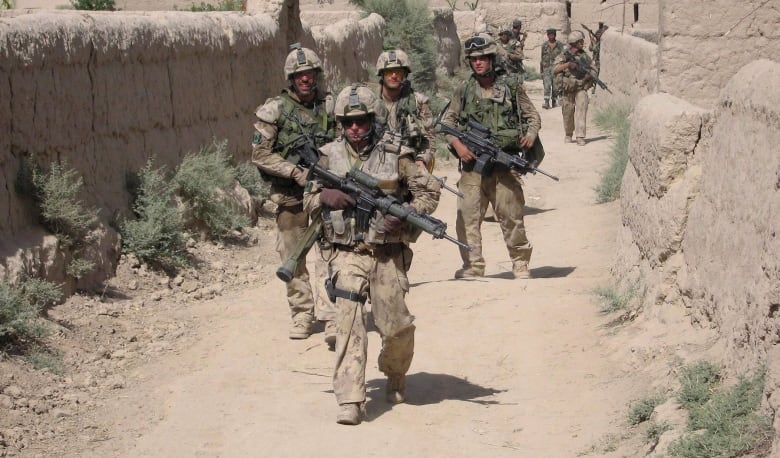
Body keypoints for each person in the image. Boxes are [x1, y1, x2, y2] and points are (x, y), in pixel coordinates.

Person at [303, 84, 441, 425]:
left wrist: (406, 212)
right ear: (339, 124)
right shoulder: (327, 154)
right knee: (348, 320)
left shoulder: (397, 153)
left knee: (395, 326)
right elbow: (306, 198)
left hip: (387, 253)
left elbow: (429, 191)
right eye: (348, 123)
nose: (354, 128)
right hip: (346, 252)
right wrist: (323, 198)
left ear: (371, 120)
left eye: (361, 121)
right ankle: (350, 398)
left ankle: (394, 372)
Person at [251, 43, 337, 344]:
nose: (305, 79)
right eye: (299, 75)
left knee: (329, 253)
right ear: (291, 78)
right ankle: (302, 313)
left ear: (317, 75)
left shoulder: (330, 106)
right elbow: (259, 155)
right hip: (291, 196)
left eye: (310, 74)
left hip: (326, 192)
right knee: (293, 255)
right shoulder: (274, 110)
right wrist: (294, 171)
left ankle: (331, 315)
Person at [442, 33, 541, 280]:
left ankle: (520, 263)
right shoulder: (464, 89)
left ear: (491, 59)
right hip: (472, 166)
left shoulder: (511, 87)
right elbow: (447, 122)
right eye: (473, 59)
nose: (478, 63)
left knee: (511, 216)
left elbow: (532, 116)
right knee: (467, 217)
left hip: (503, 165)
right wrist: (458, 145)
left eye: (483, 58)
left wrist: (530, 135)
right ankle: (473, 266)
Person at [373, 49, 436, 171]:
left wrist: (422, 160)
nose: (394, 76)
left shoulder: (419, 102)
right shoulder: (369, 101)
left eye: (399, 72)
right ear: (382, 74)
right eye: (389, 72)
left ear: (405, 75)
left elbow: (430, 139)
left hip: (408, 163)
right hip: (374, 163)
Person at [553, 30, 593, 146]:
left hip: (580, 87)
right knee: (568, 112)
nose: (582, 43)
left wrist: (588, 76)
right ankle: (569, 134)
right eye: (580, 41)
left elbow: (593, 69)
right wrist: (568, 65)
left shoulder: (584, 56)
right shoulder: (564, 55)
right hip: (567, 88)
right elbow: (555, 69)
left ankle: (580, 135)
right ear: (575, 42)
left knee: (581, 109)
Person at [540, 28, 565, 109]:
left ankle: (554, 102)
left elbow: (563, 57)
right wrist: (541, 70)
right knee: (547, 85)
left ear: (555, 35)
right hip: (546, 68)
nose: (551, 36)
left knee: (555, 86)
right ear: (547, 35)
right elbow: (542, 58)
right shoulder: (544, 45)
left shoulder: (560, 45)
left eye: (552, 34)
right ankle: (546, 102)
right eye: (549, 35)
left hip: (556, 68)